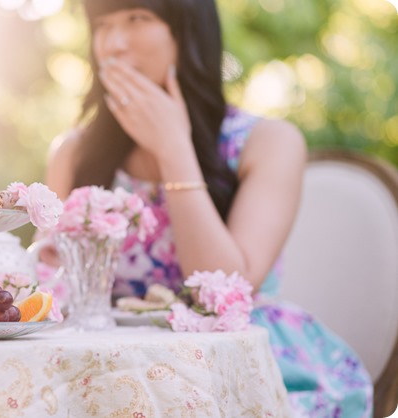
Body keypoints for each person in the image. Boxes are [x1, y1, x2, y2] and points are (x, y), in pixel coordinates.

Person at [42, 0, 373, 416]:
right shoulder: (73, 154)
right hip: (110, 370)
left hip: (244, 368)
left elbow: (221, 289)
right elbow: (48, 285)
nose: (115, 43)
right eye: (103, 25)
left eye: (138, 18)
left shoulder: (268, 142)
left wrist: (173, 148)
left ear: (188, 33)